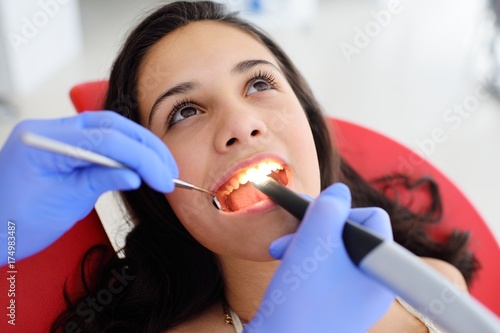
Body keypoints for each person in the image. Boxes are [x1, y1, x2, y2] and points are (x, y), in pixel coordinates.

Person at [0, 1, 477, 332]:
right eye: (185, 111)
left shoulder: (433, 283)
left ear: (308, 124)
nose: (242, 124)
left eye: (258, 84)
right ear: (159, 190)